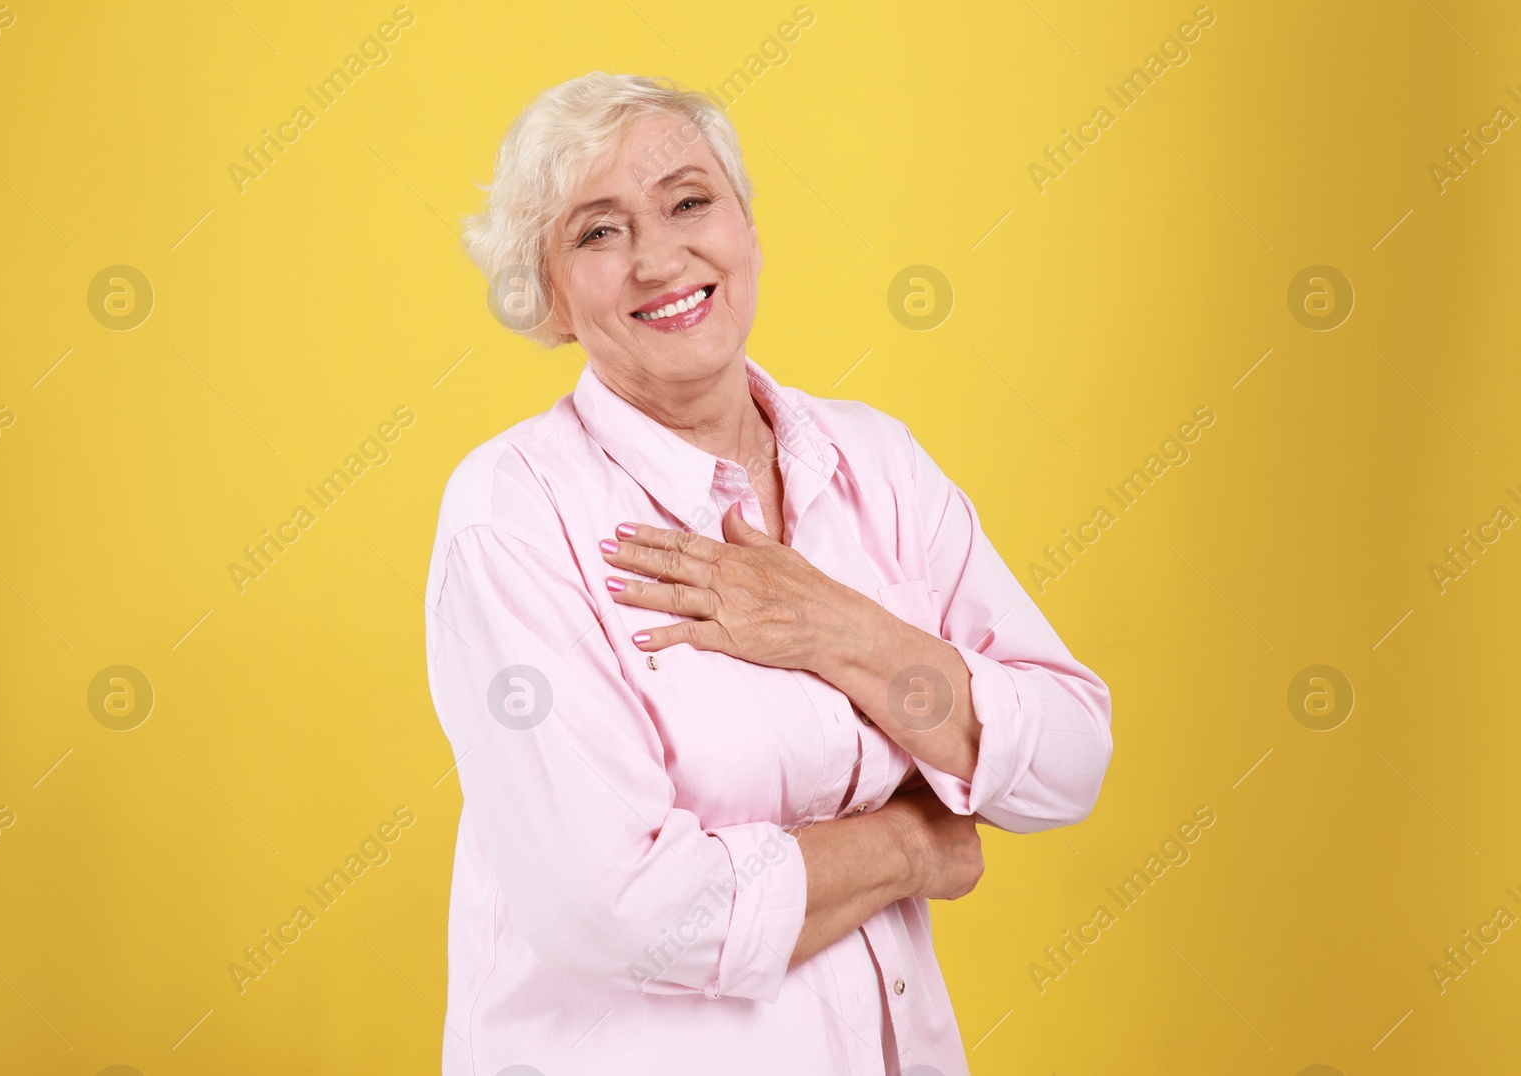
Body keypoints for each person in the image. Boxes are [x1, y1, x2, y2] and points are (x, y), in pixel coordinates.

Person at [424, 71, 1113, 1076]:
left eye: (688, 201)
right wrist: (911, 847)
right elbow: (615, 914)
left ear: (745, 226)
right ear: (551, 296)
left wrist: (839, 630)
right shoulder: (513, 515)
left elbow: (1067, 760)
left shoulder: (876, 461)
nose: (660, 258)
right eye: (597, 232)